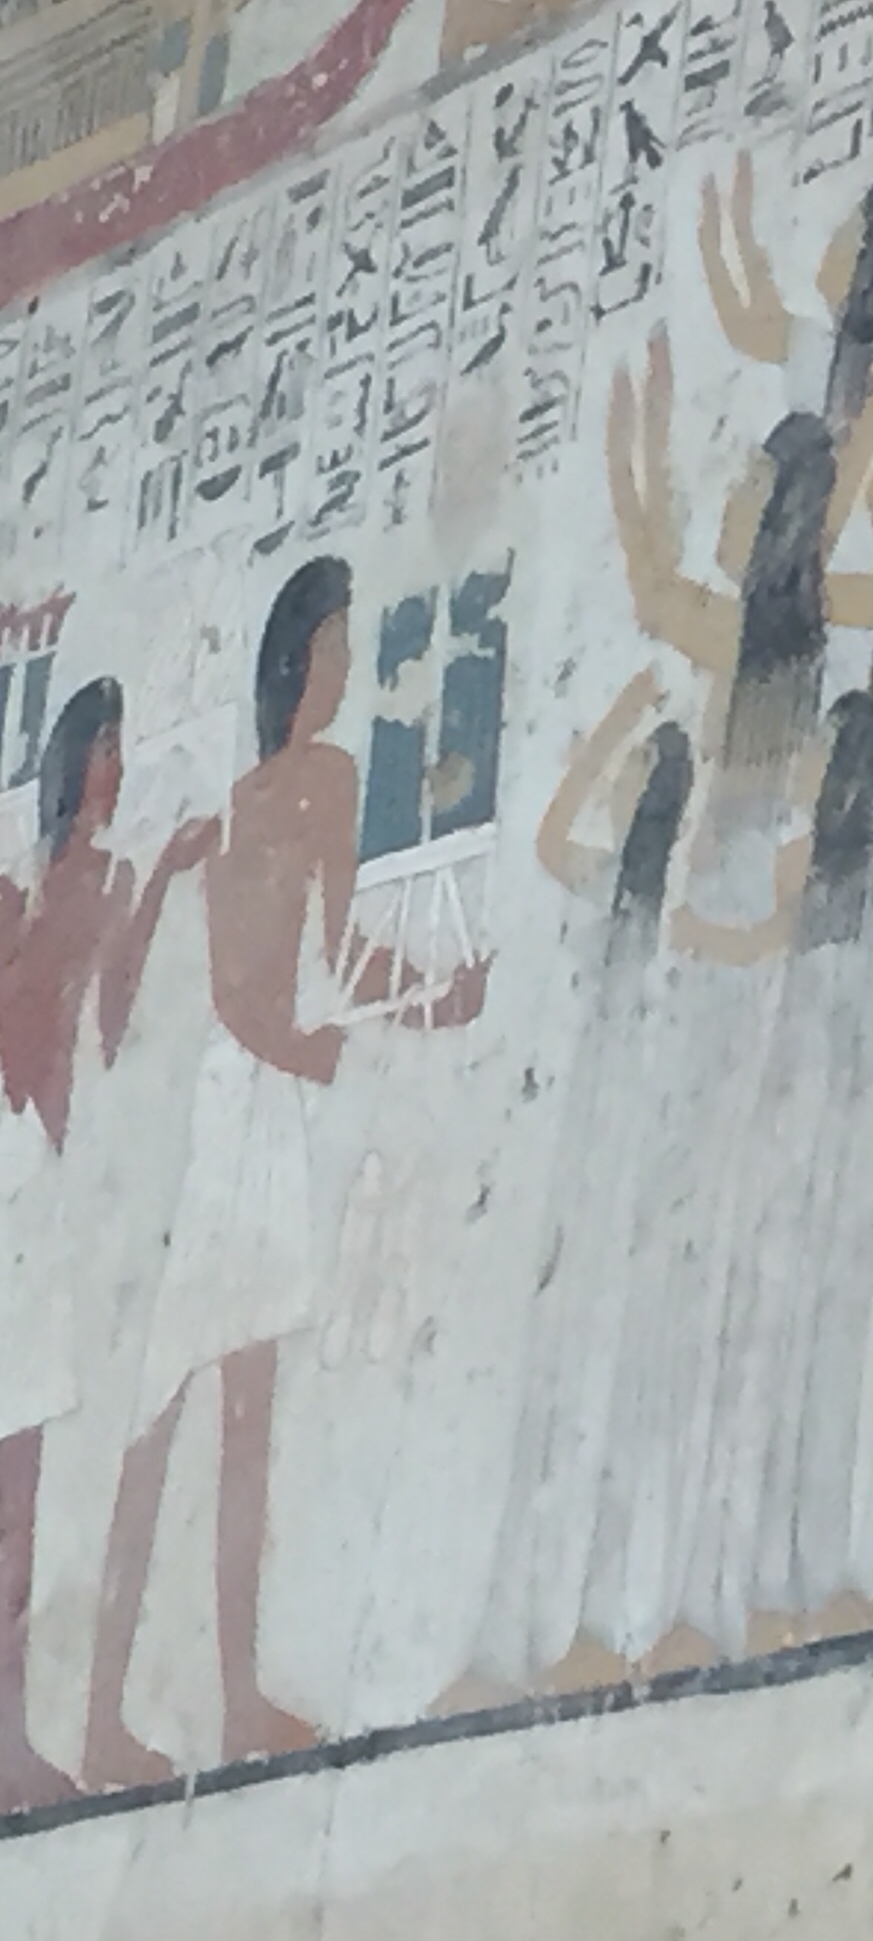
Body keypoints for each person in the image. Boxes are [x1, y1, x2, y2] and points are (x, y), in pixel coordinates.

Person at [83, 558, 486, 1787]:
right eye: (336, 645)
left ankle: (207, 1698)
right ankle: (138, 1708)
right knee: (186, 1411)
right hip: (249, 1104)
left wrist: (404, 1006)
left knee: (212, 1412)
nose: (347, 666)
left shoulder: (263, 794)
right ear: (296, 662)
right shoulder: (311, 784)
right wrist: (427, 1004)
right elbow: (311, 964)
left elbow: (296, 963)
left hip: (247, 1097)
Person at [0, 683, 212, 1806]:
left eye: (126, 748)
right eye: (107, 748)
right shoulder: (22, 889)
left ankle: (14, 1733)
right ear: (73, 760)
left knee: (24, 1485)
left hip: (46, 1180)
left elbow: (114, 1013)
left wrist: (166, 872)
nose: (117, 769)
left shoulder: (108, 879)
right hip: (17, 1162)